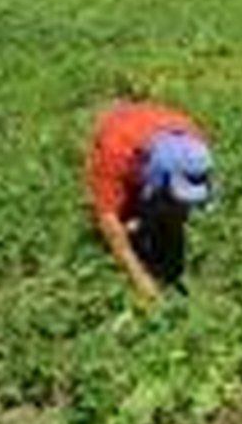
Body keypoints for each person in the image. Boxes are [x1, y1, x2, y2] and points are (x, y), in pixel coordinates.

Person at [85, 101, 214, 299]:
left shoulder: (195, 149)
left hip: (152, 128)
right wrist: (139, 278)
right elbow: (109, 222)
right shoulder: (114, 153)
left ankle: (159, 239)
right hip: (118, 130)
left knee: (165, 213)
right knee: (124, 217)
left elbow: (188, 196)